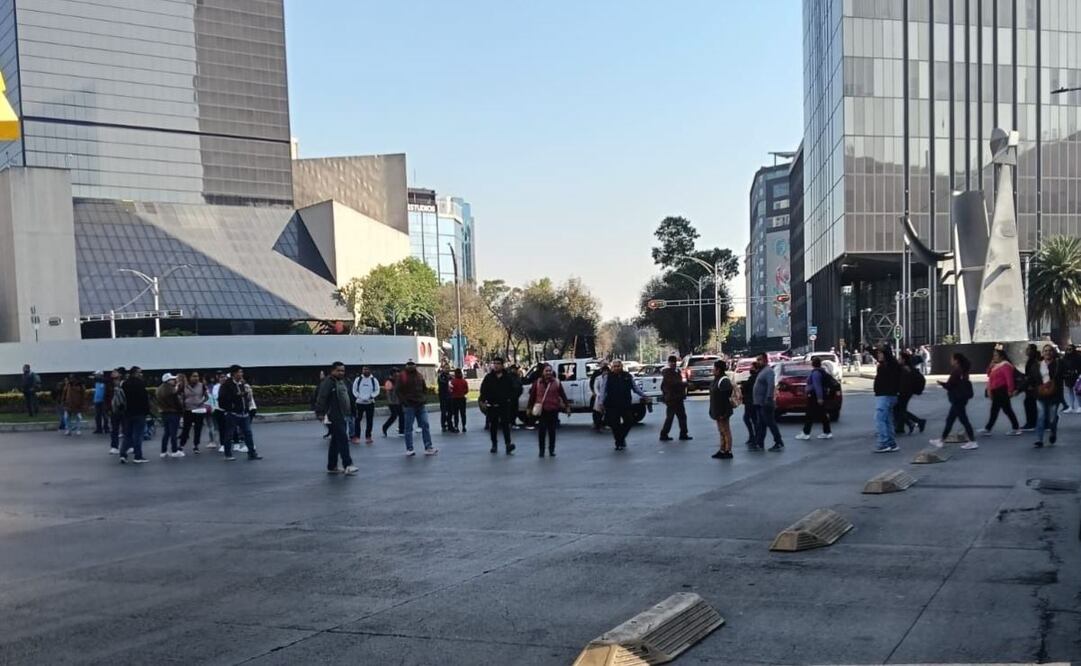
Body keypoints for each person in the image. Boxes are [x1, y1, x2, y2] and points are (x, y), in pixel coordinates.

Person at [314, 361, 358, 475]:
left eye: (342, 370)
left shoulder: (342, 382)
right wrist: (319, 413)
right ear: (332, 370)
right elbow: (321, 397)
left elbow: (349, 397)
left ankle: (332, 466)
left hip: (342, 414)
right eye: (338, 370)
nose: (341, 372)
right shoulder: (328, 382)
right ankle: (348, 464)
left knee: (335, 441)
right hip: (332, 415)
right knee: (343, 439)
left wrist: (353, 411)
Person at [597, 359, 648, 451]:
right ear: (612, 368)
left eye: (618, 366)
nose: (616, 368)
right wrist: (601, 403)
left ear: (621, 367)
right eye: (614, 366)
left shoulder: (627, 376)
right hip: (612, 404)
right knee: (614, 425)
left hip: (625, 404)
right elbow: (603, 391)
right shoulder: (608, 377)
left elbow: (635, 388)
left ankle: (621, 438)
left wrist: (644, 395)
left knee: (629, 421)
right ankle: (619, 442)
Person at [930, 353, 976, 449]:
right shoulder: (963, 370)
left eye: (952, 359)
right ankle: (941, 440)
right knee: (950, 420)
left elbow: (950, 385)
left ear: (956, 360)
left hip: (957, 399)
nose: (950, 360)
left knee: (963, 420)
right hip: (961, 398)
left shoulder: (957, 371)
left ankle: (972, 441)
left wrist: (941, 384)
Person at [218, 365, 263, 462]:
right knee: (229, 434)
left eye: (242, 372)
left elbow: (245, 397)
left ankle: (252, 453)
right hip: (233, 413)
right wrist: (233, 403)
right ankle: (228, 454)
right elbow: (222, 399)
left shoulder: (242, 384)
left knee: (248, 433)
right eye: (239, 372)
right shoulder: (227, 385)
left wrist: (246, 401)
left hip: (244, 413)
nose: (241, 374)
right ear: (234, 373)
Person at [978, 347, 1022, 437]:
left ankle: (1015, 428)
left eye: (996, 355)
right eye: (993, 355)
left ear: (1001, 356)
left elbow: (1009, 379)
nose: (994, 357)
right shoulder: (996, 365)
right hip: (996, 391)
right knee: (1003, 410)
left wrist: (1010, 390)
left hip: (1002, 390)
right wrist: (990, 366)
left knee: (1002, 410)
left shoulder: (1006, 365)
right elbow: (988, 374)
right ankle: (989, 428)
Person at [397, 361, 437, 456]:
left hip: (420, 404)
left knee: (425, 424)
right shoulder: (402, 376)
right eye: (409, 365)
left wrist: (423, 398)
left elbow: (424, 388)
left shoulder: (419, 375)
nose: (411, 367)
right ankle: (409, 448)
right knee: (408, 427)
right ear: (406, 366)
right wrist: (404, 402)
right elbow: (398, 391)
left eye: (412, 365)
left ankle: (428, 447)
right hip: (409, 406)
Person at [528, 363, 568, 457]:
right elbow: (532, 396)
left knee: (552, 431)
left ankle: (551, 450)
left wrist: (567, 406)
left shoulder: (556, 382)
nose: (548, 373)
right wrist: (529, 407)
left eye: (550, 371)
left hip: (553, 410)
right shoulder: (537, 383)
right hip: (542, 411)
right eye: (546, 371)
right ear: (542, 372)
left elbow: (562, 394)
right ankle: (541, 451)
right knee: (541, 431)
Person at [479, 357, 518, 454]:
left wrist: (510, 398)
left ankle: (508, 444)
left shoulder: (508, 377)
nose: (496, 365)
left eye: (498, 363)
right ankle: (494, 445)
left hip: (504, 405)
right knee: (493, 426)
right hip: (492, 405)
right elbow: (483, 390)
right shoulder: (489, 377)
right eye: (494, 363)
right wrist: (483, 400)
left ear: (502, 365)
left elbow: (515, 389)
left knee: (505, 425)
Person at [796, 356, 834, 440]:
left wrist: (819, 398)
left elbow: (817, 386)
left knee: (810, 414)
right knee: (822, 414)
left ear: (813, 363)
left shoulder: (816, 373)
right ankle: (827, 432)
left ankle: (806, 433)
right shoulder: (821, 371)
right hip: (817, 395)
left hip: (814, 396)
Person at [872, 347, 902, 453]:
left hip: (885, 395)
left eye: (880, 354)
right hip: (888, 395)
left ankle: (883, 443)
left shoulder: (890, 365)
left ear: (885, 355)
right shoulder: (889, 364)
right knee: (887, 419)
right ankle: (891, 443)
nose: (878, 356)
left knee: (879, 418)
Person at [752, 354, 783, 451]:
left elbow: (770, 386)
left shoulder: (768, 371)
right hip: (759, 403)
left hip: (765, 403)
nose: (758, 361)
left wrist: (768, 398)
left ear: (765, 360)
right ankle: (759, 443)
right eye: (757, 360)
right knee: (761, 424)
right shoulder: (762, 371)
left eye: (759, 360)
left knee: (770, 423)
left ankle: (778, 442)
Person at [1034, 345, 1063, 448]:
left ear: (1053, 352)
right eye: (1045, 351)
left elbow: (1062, 377)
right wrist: (1018, 389)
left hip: (1054, 396)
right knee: (1041, 417)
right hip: (1041, 394)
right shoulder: (1038, 365)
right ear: (1042, 353)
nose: (1047, 353)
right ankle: (1039, 439)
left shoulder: (1058, 364)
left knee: (1052, 419)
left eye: (1050, 351)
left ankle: (1053, 433)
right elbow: (1031, 378)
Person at [118, 367, 149, 464]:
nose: (141, 374)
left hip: (127, 413)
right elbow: (145, 399)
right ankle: (138, 456)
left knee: (127, 435)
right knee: (138, 435)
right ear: (135, 373)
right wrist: (147, 411)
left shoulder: (125, 384)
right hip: (139, 413)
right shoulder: (140, 384)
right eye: (140, 372)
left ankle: (123, 454)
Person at [659, 355, 692, 442]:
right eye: (671, 362)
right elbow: (674, 383)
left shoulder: (675, 372)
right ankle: (664, 434)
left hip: (677, 398)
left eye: (674, 362)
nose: (673, 363)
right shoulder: (668, 373)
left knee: (681, 416)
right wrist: (685, 384)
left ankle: (683, 433)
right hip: (672, 398)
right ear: (669, 363)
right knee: (671, 417)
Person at [894, 350, 927, 435]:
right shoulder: (908, 367)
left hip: (904, 393)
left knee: (899, 410)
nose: (898, 360)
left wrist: (899, 392)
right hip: (907, 392)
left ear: (903, 360)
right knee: (900, 410)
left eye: (900, 358)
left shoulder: (905, 369)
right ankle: (902, 427)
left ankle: (918, 422)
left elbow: (904, 383)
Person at [709, 359, 735, 459]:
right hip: (717, 411)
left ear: (718, 369)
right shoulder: (716, 379)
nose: (713, 370)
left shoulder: (724, 380)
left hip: (723, 411)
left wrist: (723, 412)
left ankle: (728, 451)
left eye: (714, 368)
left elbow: (725, 398)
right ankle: (722, 449)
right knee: (721, 431)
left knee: (726, 430)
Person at [179, 371, 208, 454]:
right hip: (188, 410)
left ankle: (196, 445)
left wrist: (201, 401)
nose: (196, 378)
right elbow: (180, 397)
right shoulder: (184, 386)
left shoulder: (201, 385)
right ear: (189, 377)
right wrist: (183, 404)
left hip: (199, 409)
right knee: (186, 428)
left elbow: (206, 397)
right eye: (194, 376)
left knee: (198, 429)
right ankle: (181, 445)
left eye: (197, 376)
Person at [156, 373, 183, 458]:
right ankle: (174, 451)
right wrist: (181, 410)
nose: (174, 381)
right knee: (173, 433)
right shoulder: (171, 390)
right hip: (173, 412)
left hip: (164, 413)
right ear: (168, 381)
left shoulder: (159, 389)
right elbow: (177, 402)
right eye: (172, 379)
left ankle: (163, 451)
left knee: (166, 432)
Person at [351, 366, 379, 444]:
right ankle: (357, 436)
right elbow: (354, 389)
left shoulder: (374, 380)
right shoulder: (358, 379)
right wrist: (359, 396)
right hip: (359, 403)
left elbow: (377, 390)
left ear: (370, 370)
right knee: (357, 420)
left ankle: (368, 436)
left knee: (369, 420)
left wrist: (372, 396)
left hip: (370, 403)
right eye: (364, 369)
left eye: (367, 369)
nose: (365, 371)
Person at [1021, 344, 1041, 431]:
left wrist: (1031, 385)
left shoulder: (1033, 361)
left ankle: (1031, 423)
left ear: (1032, 351)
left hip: (1032, 386)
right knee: (1030, 403)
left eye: (1028, 349)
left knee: (1029, 403)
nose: (1026, 350)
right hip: (1031, 385)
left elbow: (1033, 374)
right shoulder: (1032, 360)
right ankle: (1033, 422)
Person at [741, 360, 759, 449]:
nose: (750, 369)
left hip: (751, 402)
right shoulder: (753, 377)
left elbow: (746, 388)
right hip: (750, 401)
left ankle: (755, 437)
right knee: (751, 419)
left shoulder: (754, 378)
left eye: (752, 368)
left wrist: (743, 386)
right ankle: (753, 436)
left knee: (750, 419)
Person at [381, 368, 404, 437]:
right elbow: (388, 393)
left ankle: (401, 430)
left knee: (402, 415)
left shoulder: (399, 381)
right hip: (392, 402)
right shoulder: (389, 381)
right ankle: (385, 427)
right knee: (394, 416)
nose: (397, 374)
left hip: (399, 401)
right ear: (392, 374)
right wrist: (390, 402)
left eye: (398, 372)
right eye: (396, 372)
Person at [589, 362, 609, 432]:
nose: (605, 372)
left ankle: (605, 423)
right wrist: (597, 394)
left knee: (607, 411)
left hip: (607, 397)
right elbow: (595, 386)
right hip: (599, 396)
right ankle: (597, 424)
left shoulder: (610, 377)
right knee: (597, 411)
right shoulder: (597, 376)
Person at [1061, 344, 1081, 413]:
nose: (1069, 351)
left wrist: (1078, 372)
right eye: (1067, 349)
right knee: (1070, 391)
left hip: (1076, 376)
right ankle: (1071, 406)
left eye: (1070, 349)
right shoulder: (1065, 358)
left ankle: (1079, 406)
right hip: (1067, 376)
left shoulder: (1078, 357)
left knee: (1077, 392)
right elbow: (1062, 367)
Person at [437, 364, 454, 432]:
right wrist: (448, 381)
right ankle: (443, 425)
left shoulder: (450, 376)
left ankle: (450, 425)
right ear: (443, 368)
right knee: (444, 411)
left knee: (450, 411)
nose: (447, 369)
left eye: (448, 368)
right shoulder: (441, 376)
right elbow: (442, 383)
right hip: (443, 396)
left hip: (450, 396)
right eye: (446, 368)